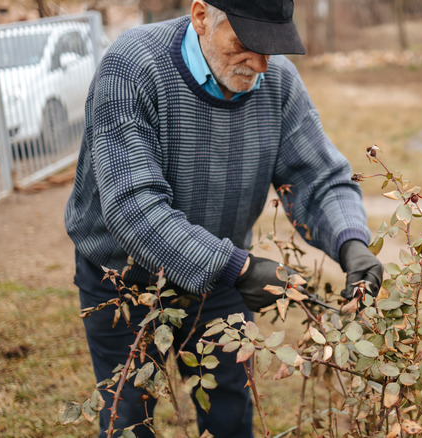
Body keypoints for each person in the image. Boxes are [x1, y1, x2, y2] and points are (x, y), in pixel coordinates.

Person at [64, 0, 383, 436]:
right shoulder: (132, 66)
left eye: (271, 47)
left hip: (220, 283)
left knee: (230, 409)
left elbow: (319, 176)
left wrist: (353, 244)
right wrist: (240, 267)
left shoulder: (278, 83)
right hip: (125, 281)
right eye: (247, 43)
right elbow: (132, 206)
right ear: (200, 17)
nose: (261, 63)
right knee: (128, 418)